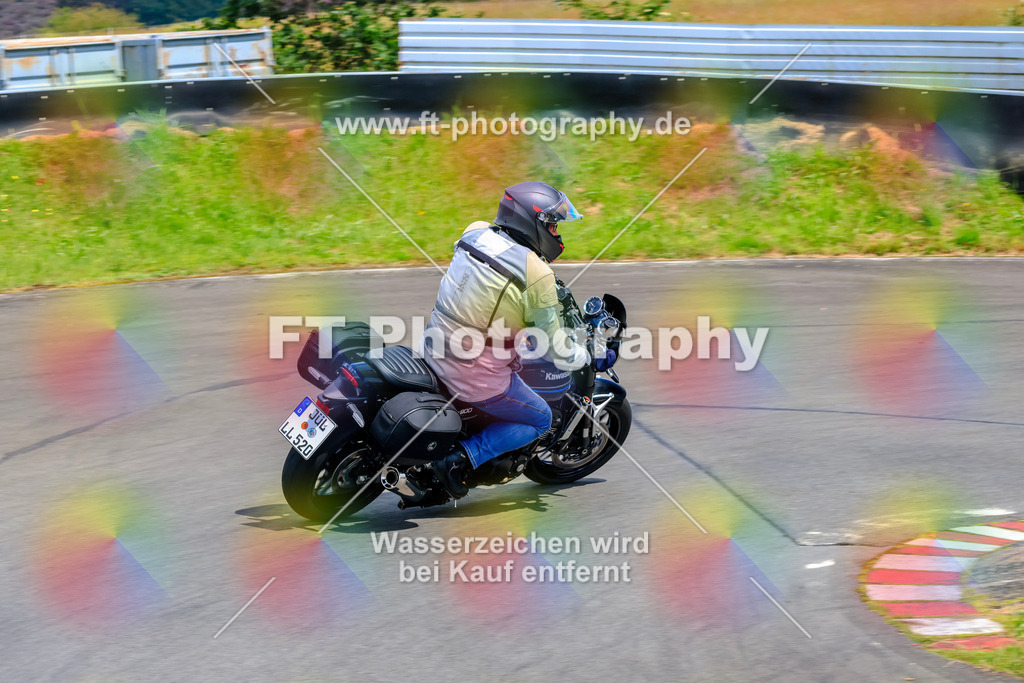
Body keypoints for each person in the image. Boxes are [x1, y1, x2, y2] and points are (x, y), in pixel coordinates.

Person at [422, 181, 591, 499]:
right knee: (541, 418)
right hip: (471, 374)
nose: (557, 234)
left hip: (433, 345)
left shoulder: (475, 231)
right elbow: (555, 345)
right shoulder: (537, 273)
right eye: (553, 226)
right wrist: (583, 356)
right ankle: (462, 458)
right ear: (535, 223)